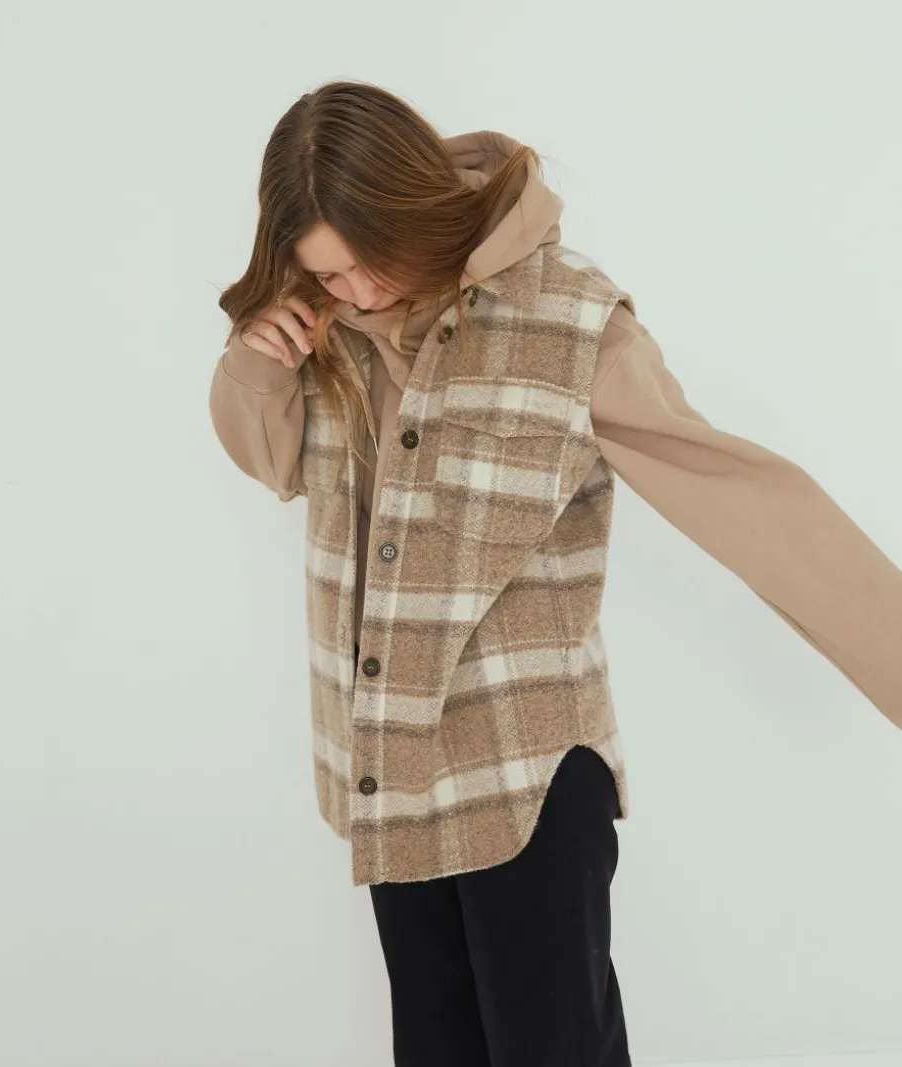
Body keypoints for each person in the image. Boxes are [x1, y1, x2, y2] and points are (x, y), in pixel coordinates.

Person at [208, 80, 902, 1067]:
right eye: (327, 272)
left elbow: (739, 495)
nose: (354, 292)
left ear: (409, 209)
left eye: (366, 261)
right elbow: (274, 465)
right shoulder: (323, 326)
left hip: (525, 776)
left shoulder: (568, 319)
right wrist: (257, 358)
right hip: (392, 770)